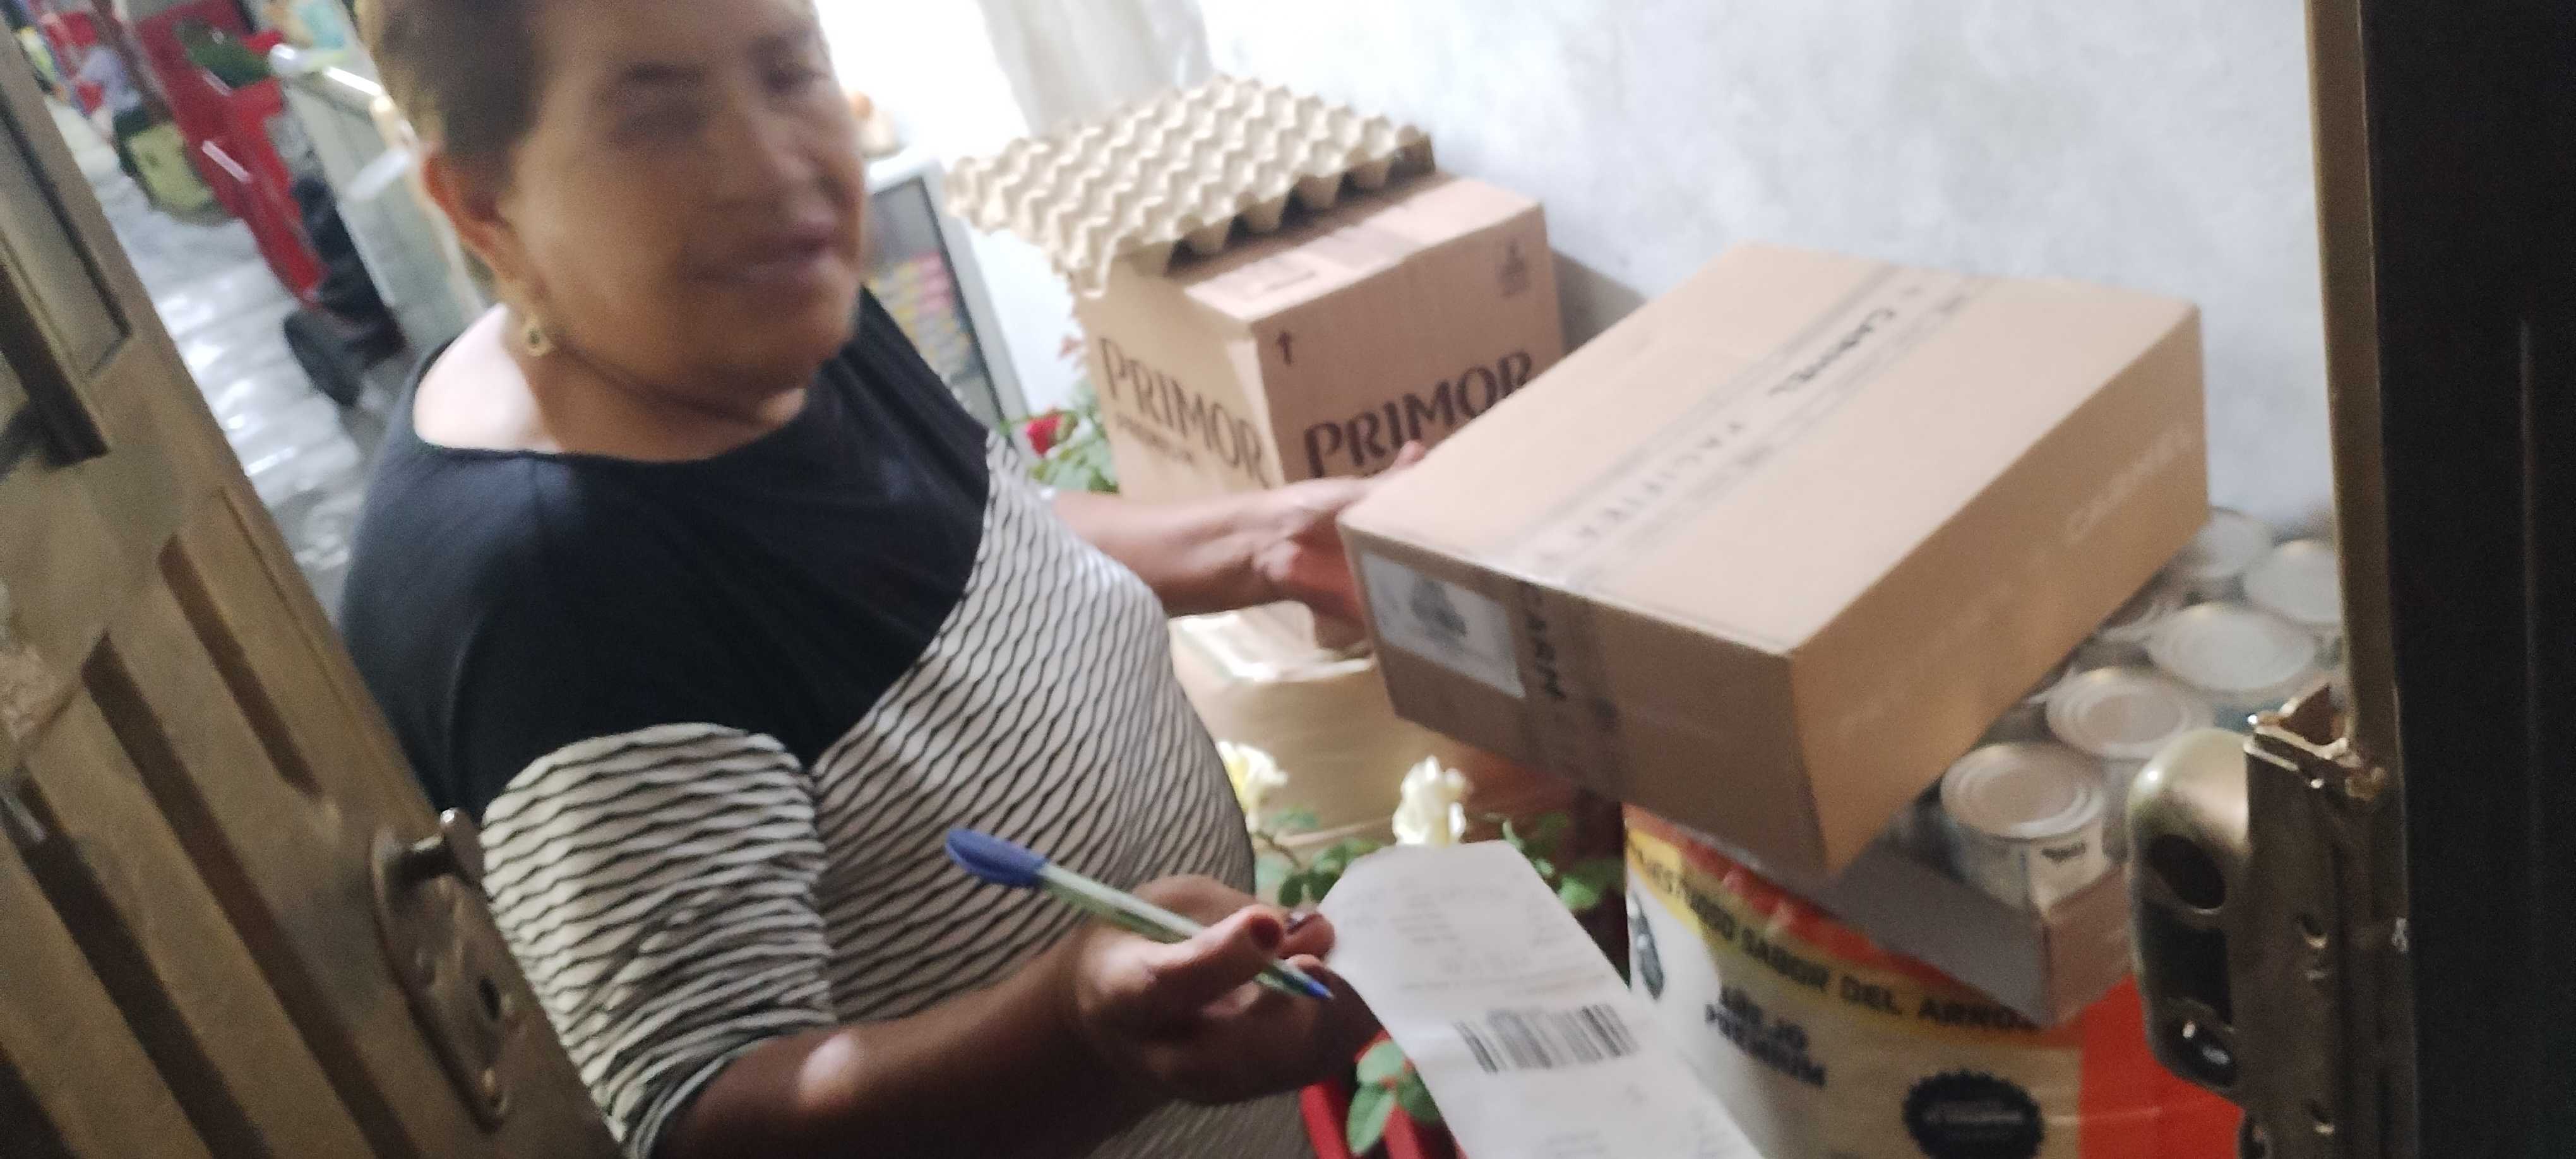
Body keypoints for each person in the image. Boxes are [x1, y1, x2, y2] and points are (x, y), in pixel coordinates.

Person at [340, 0, 1398, 1156]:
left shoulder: (755, 319)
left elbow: (996, 538)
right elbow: (709, 1114)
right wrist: (1078, 1036)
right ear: (482, 203)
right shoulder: (553, 591)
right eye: (657, 114)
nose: (774, 166)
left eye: (788, 70)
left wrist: (1260, 542)